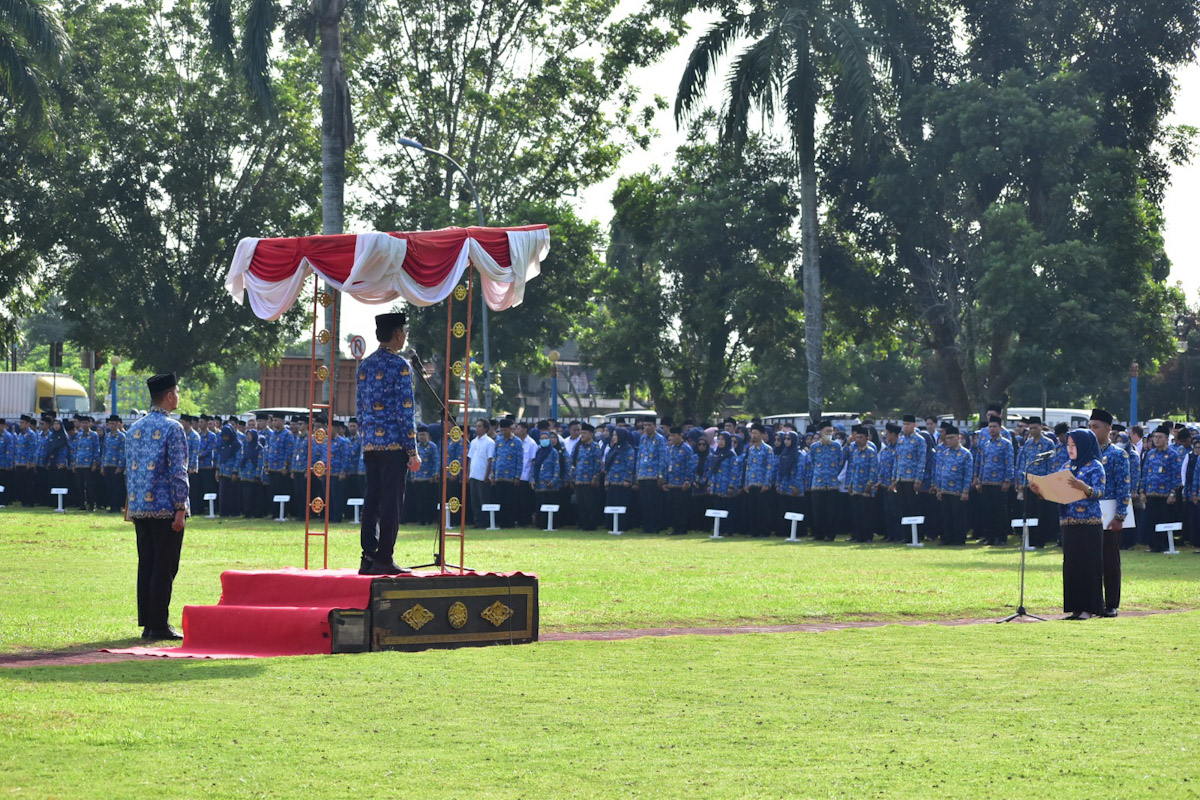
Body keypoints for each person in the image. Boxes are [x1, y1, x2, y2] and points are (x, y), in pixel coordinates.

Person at [124, 373, 189, 640]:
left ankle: (149, 623)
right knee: (165, 566)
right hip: (165, 508)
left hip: (141, 507)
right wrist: (181, 507)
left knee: (147, 564)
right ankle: (159, 624)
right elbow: (178, 471)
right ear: (170, 395)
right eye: (177, 391)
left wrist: (130, 504)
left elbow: (128, 470)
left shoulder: (134, 428)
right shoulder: (173, 428)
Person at [356, 312, 421, 575]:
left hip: (371, 444)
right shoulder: (400, 366)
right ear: (397, 333)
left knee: (371, 500)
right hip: (394, 445)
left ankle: (368, 556)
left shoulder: (365, 366)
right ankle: (385, 557)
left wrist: (367, 438)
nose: (405, 336)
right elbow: (405, 412)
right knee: (391, 502)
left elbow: (360, 409)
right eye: (404, 331)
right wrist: (413, 450)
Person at [1032, 428, 1105, 620]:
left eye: (1074, 445)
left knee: (1089, 564)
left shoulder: (1095, 466)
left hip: (1089, 523)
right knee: (1072, 565)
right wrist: (1041, 492)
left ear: (1084, 446)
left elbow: (1100, 492)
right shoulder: (1066, 467)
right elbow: (1057, 493)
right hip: (1068, 522)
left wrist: (1085, 488)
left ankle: (1089, 608)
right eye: (1068, 445)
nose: (1070, 449)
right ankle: (1075, 608)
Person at [1087, 409, 1129, 617]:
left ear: (1108, 429)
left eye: (1096, 427)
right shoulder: (1086, 453)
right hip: (1086, 514)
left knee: (1110, 561)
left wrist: (1120, 517)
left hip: (1109, 513)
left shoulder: (1117, 455)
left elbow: (1124, 487)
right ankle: (1093, 602)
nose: (1091, 430)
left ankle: (1111, 603)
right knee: (1089, 561)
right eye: (1090, 426)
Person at [1140, 424, 1182, 552]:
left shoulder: (1172, 455)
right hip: (1151, 494)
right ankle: (1153, 546)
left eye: (1160, 437)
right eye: (1155, 437)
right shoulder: (1150, 454)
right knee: (1151, 520)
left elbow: (1176, 476)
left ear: (1167, 439)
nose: (1156, 439)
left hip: (1165, 495)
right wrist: (1142, 491)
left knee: (1164, 521)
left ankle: (1164, 545)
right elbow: (1145, 473)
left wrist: (1173, 493)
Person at [974, 416, 1015, 545]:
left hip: (999, 482)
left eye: (994, 427)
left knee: (999, 511)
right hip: (986, 482)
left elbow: (1009, 463)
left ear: (1000, 428)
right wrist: (979, 480)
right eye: (990, 427)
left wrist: (1008, 480)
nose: (991, 429)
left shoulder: (1006, 444)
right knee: (987, 510)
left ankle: (1001, 537)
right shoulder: (986, 444)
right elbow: (982, 462)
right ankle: (989, 536)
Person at [934, 426, 972, 545]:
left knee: (958, 516)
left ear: (958, 437)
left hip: (958, 490)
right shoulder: (945, 453)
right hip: (945, 489)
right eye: (947, 438)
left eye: (951, 438)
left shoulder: (966, 454)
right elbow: (940, 471)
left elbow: (968, 474)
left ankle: (959, 539)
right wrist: (938, 488)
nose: (949, 441)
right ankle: (946, 538)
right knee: (946, 516)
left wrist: (966, 491)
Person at [807, 420, 843, 541]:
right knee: (818, 511)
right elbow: (811, 463)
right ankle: (819, 534)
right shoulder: (814, 447)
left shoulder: (837, 446)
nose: (830, 433)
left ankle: (830, 534)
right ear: (821, 432)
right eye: (827, 431)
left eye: (831, 431)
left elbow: (840, 462)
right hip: (818, 483)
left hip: (832, 483)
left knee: (831, 511)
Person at [845, 425, 878, 542]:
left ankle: (868, 536)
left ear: (867, 438)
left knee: (866, 514)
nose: (858, 440)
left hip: (866, 488)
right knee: (856, 513)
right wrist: (850, 484)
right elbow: (852, 469)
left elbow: (874, 470)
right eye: (857, 437)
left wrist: (869, 484)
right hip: (855, 487)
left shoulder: (871, 452)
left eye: (861, 437)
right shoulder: (854, 452)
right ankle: (858, 536)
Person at [570, 423, 605, 531]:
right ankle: (582, 524)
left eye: (584, 433)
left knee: (591, 504)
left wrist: (595, 477)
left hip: (590, 480)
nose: (582, 435)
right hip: (579, 480)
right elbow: (575, 462)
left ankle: (591, 525)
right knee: (581, 504)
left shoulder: (595, 446)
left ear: (590, 434)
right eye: (581, 433)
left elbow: (597, 463)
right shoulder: (579, 447)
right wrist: (573, 477)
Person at [663, 426, 697, 535]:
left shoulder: (687, 449)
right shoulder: (671, 449)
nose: (672, 438)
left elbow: (690, 466)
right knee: (673, 508)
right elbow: (668, 465)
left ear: (680, 435)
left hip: (682, 484)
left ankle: (682, 529)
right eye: (671, 435)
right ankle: (675, 528)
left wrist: (687, 480)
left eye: (674, 435)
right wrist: (665, 481)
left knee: (681, 508)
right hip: (672, 483)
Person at [532, 430, 568, 528]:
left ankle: (552, 525)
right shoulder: (538, 452)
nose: (544, 440)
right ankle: (540, 524)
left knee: (550, 504)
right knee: (540, 504)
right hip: (539, 484)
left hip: (550, 484)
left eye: (546, 438)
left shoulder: (553, 452)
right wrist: (532, 479)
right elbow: (534, 467)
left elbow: (557, 467)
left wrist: (554, 480)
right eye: (542, 438)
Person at [466, 418, 495, 529]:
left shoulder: (489, 442)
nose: (476, 428)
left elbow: (490, 460)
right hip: (474, 474)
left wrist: (487, 475)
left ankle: (484, 522)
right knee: (475, 501)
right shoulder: (473, 442)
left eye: (479, 426)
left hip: (483, 476)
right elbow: (470, 459)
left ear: (485, 428)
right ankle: (477, 521)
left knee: (484, 500)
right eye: (476, 426)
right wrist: (468, 474)